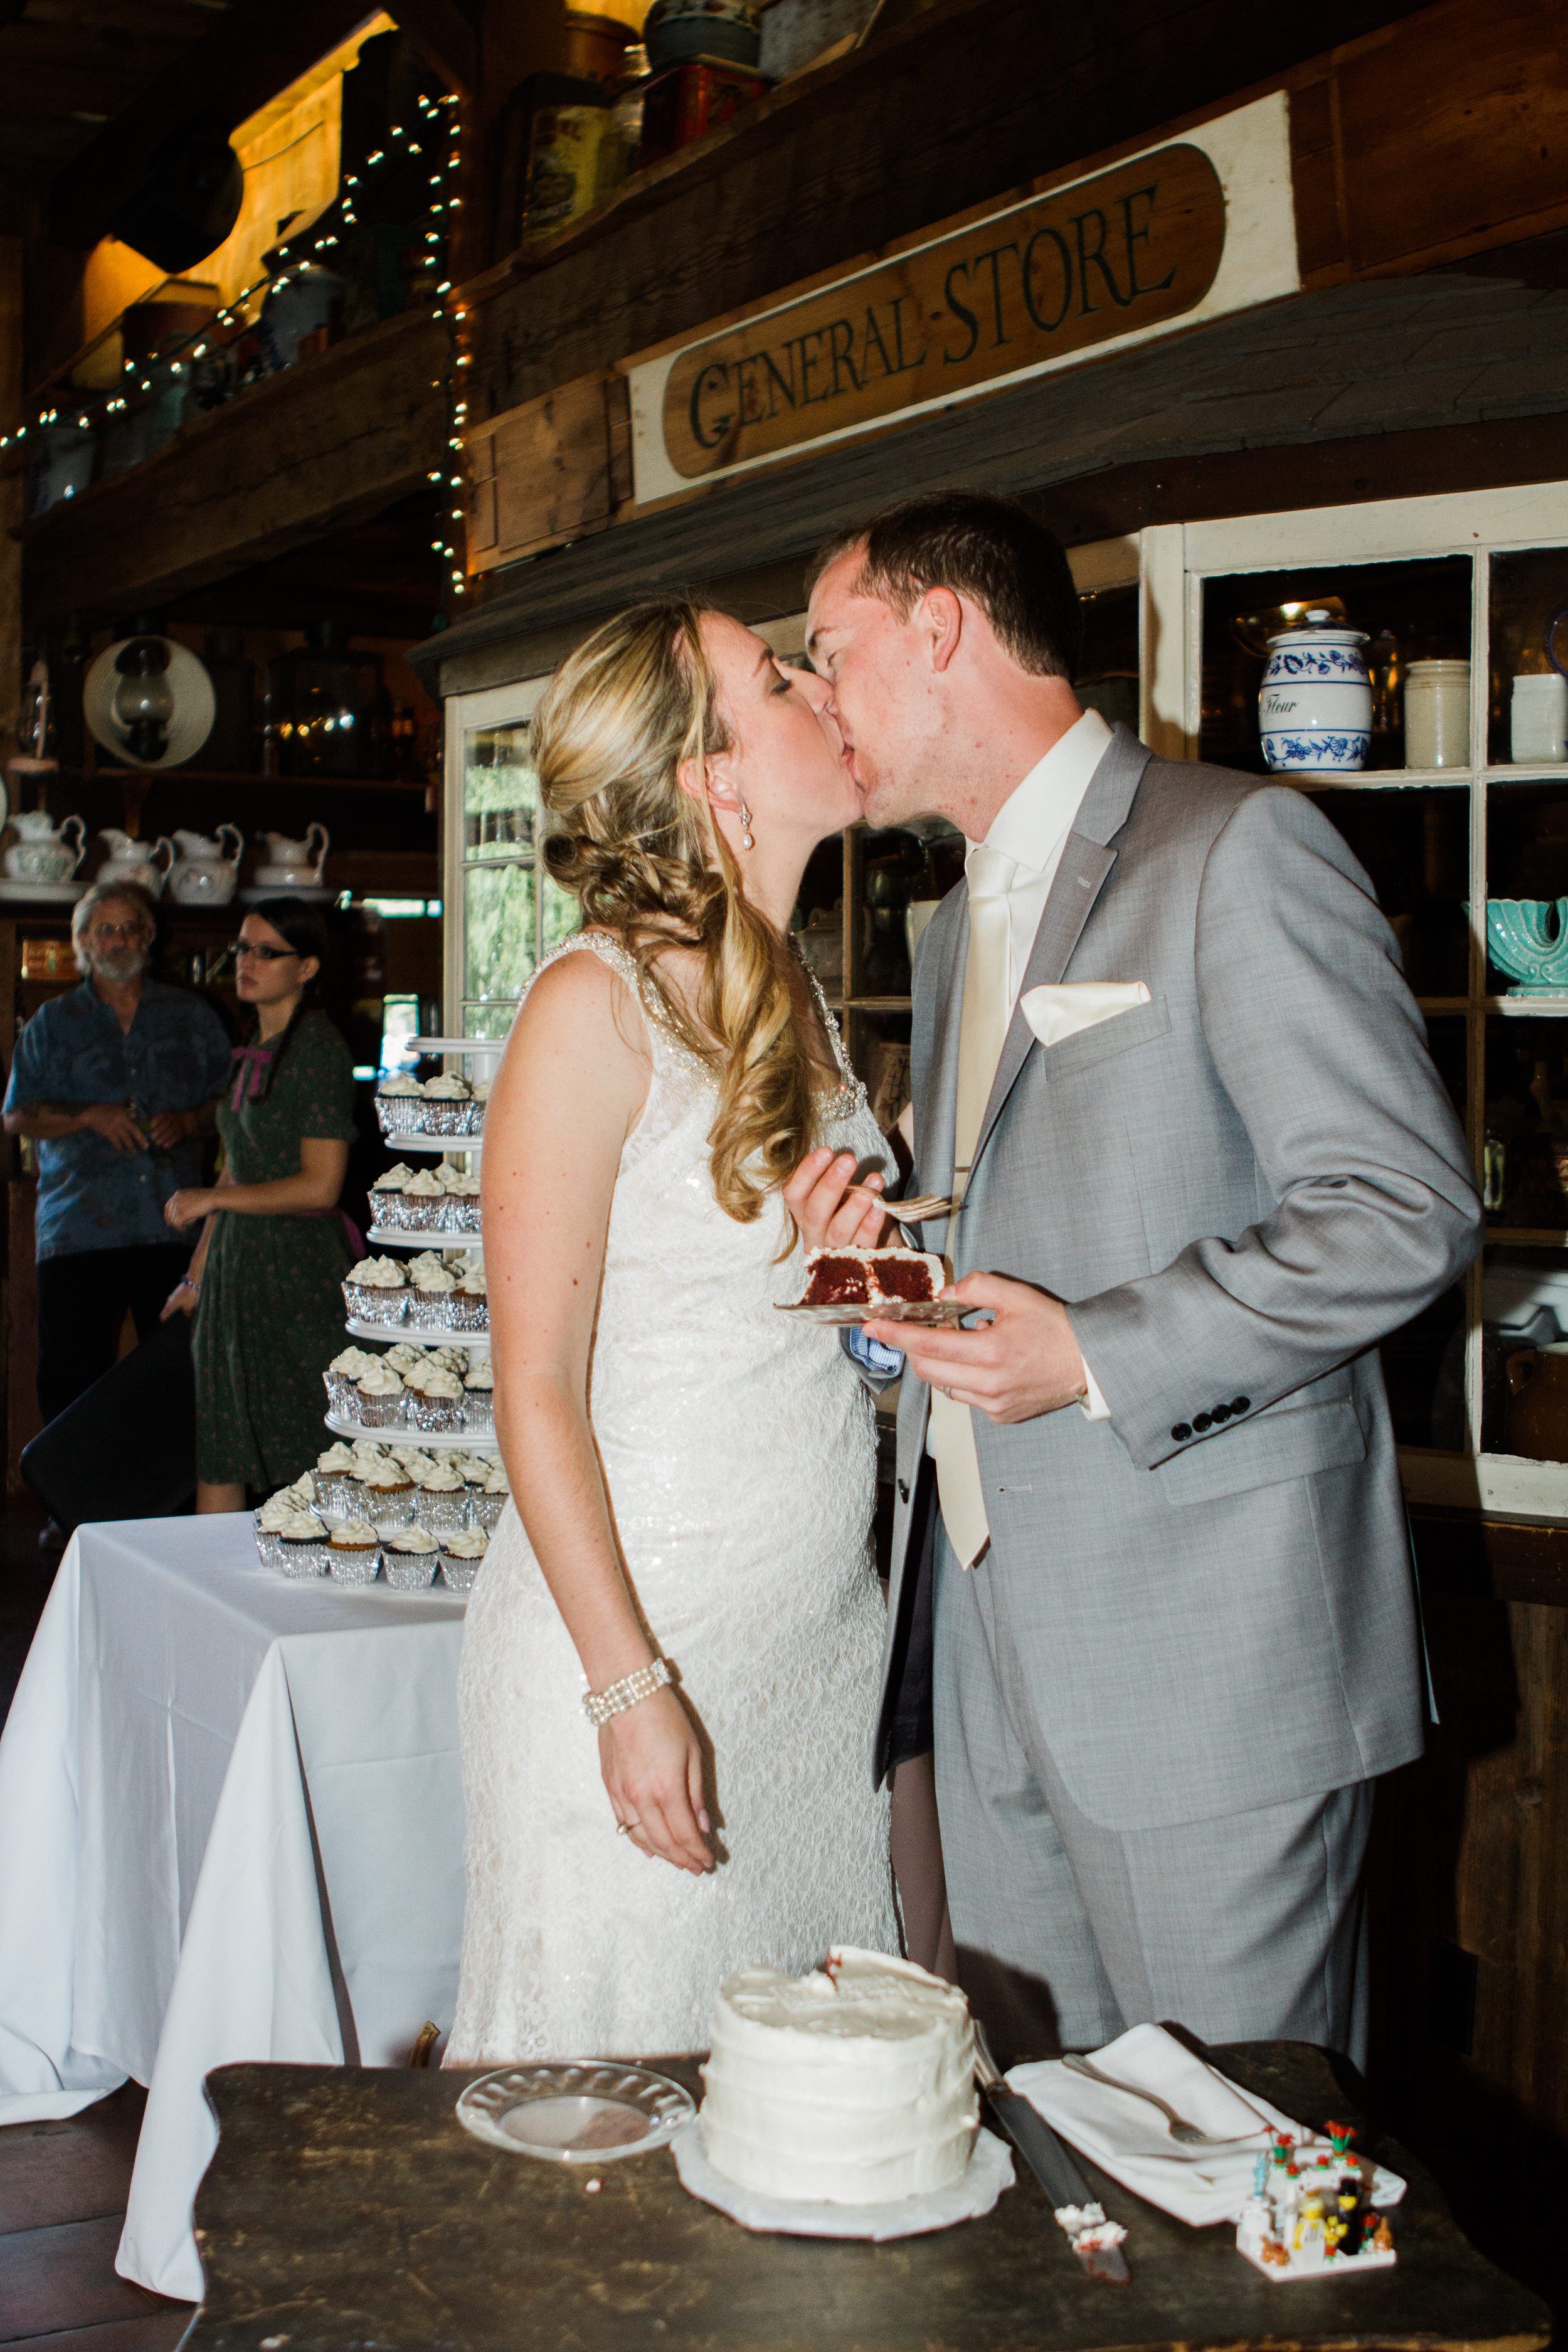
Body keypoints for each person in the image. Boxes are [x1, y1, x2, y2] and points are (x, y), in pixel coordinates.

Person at [793, 491, 1485, 2069]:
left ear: (941, 628)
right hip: (985, 1636)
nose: (820, 698)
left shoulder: (1236, 846)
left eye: (831, 652)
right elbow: (1049, 1211)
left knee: (1249, 2181)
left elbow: (1402, 1205)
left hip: (1210, 1661)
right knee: (1068, 2170)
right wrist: (886, 1247)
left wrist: (1094, 1354)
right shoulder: (960, 910)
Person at [445, 598, 900, 2067]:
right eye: (776, 677)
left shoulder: (797, 984)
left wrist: (861, 1273)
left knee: (801, 2117)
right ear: (711, 774)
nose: (819, 686)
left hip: (813, 1659)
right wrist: (632, 1687)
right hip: (642, 1652)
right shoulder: (593, 1004)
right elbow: (535, 1394)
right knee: (612, 2134)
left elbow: (774, 1312)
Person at [2, 882, 231, 1535]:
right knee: (70, 1374)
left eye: (130, 928)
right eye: (103, 931)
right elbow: (16, 1115)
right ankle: (71, 1506)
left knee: (178, 1370)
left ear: (148, 938)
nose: (118, 941)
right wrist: (89, 1116)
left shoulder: (193, 1017)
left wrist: (190, 1120)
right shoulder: (53, 1024)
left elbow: (236, 1103)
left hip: (175, 1222)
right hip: (79, 1228)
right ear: (81, 944)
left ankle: (175, 1504)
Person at [162, 900, 359, 1510]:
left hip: (297, 1267)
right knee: (219, 1437)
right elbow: (241, 1174)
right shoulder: (253, 1042)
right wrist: (195, 1276)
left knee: (315, 1443)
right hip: (235, 1266)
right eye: (242, 948)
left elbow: (321, 1186)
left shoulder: (320, 1050)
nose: (246, 962)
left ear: (306, 968)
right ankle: (210, 1592)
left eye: (266, 952)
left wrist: (211, 1198)